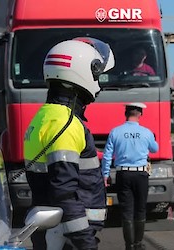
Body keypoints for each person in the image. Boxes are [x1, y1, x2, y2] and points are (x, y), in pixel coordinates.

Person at [23, 37, 115, 250]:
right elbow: (64, 192)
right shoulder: (66, 124)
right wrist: (85, 242)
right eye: (97, 75)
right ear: (84, 72)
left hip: (52, 231)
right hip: (66, 237)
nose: (98, 83)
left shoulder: (46, 116)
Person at [101, 103, 159, 250]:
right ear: (140, 114)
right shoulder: (146, 132)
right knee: (140, 209)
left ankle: (129, 245)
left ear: (125, 114)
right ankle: (138, 244)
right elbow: (155, 149)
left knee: (126, 210)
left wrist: (105, 174)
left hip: (123, 174)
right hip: (141, 174)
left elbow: (107, 156)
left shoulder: (115, 132)